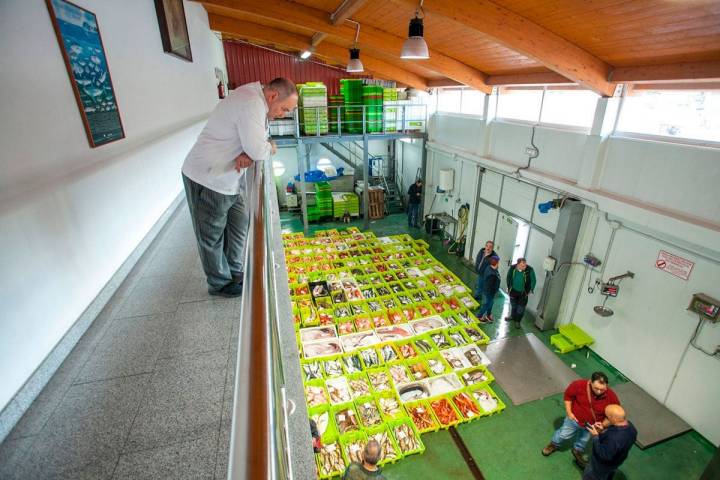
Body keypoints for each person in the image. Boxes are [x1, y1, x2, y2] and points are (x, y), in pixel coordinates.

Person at [181, 78, 298, 298]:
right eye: (284, 109)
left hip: (229, 178)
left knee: (239, 222)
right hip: (207, 178)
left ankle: (235, 270)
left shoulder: (257, 101)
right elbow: (260, 149)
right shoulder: (251, 103)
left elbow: (257, 144)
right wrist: (266, 148)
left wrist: (255, 150)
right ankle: (219, 283)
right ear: (273, 96)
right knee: (211, 234)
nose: (283, 114)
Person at [542, 372, 620, 468]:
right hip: (574, 420)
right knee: (563, 434)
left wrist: (603, 425)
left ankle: (577, 450)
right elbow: (568, 396)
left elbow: (615, 413)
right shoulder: (578, 385)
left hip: (591, 426)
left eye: (602, 389)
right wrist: (569, 412)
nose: (599, 391)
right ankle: (553, 445)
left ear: (606, 385)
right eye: (596, 388)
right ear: (590, 382)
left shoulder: (611, 395)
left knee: (583, 440)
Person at [584, 404, 637, 480]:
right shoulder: (632, 428)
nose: (604, 418)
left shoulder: (615, 438)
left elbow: (604, 455)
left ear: (613, 419)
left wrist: (595, 436)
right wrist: (603, 429)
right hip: (616, 462)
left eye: (606, 416)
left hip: (600, 466)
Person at [505, 257, 536, 328]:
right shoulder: (512, 268)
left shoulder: (529, 270)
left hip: (523, 293)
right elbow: (508, 277)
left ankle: (518, 321)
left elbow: (533, 280)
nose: (525, 267)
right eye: (522, 266)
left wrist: (531, 289)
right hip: (513, 291)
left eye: (525, 265)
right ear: (518, 264)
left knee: (520, 308)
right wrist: (509, 287)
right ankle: (512, 317)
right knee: (514, 305)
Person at [477, 256, 500, 323]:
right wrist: (494, 291)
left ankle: (488, 314)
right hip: (489, 292)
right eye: (498, 262)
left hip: (489, 291)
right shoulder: (492, 274)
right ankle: (479, 316)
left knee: (490, 303)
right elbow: (490, 286)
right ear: (497, 263)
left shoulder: (489, 268)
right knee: (488, 304)